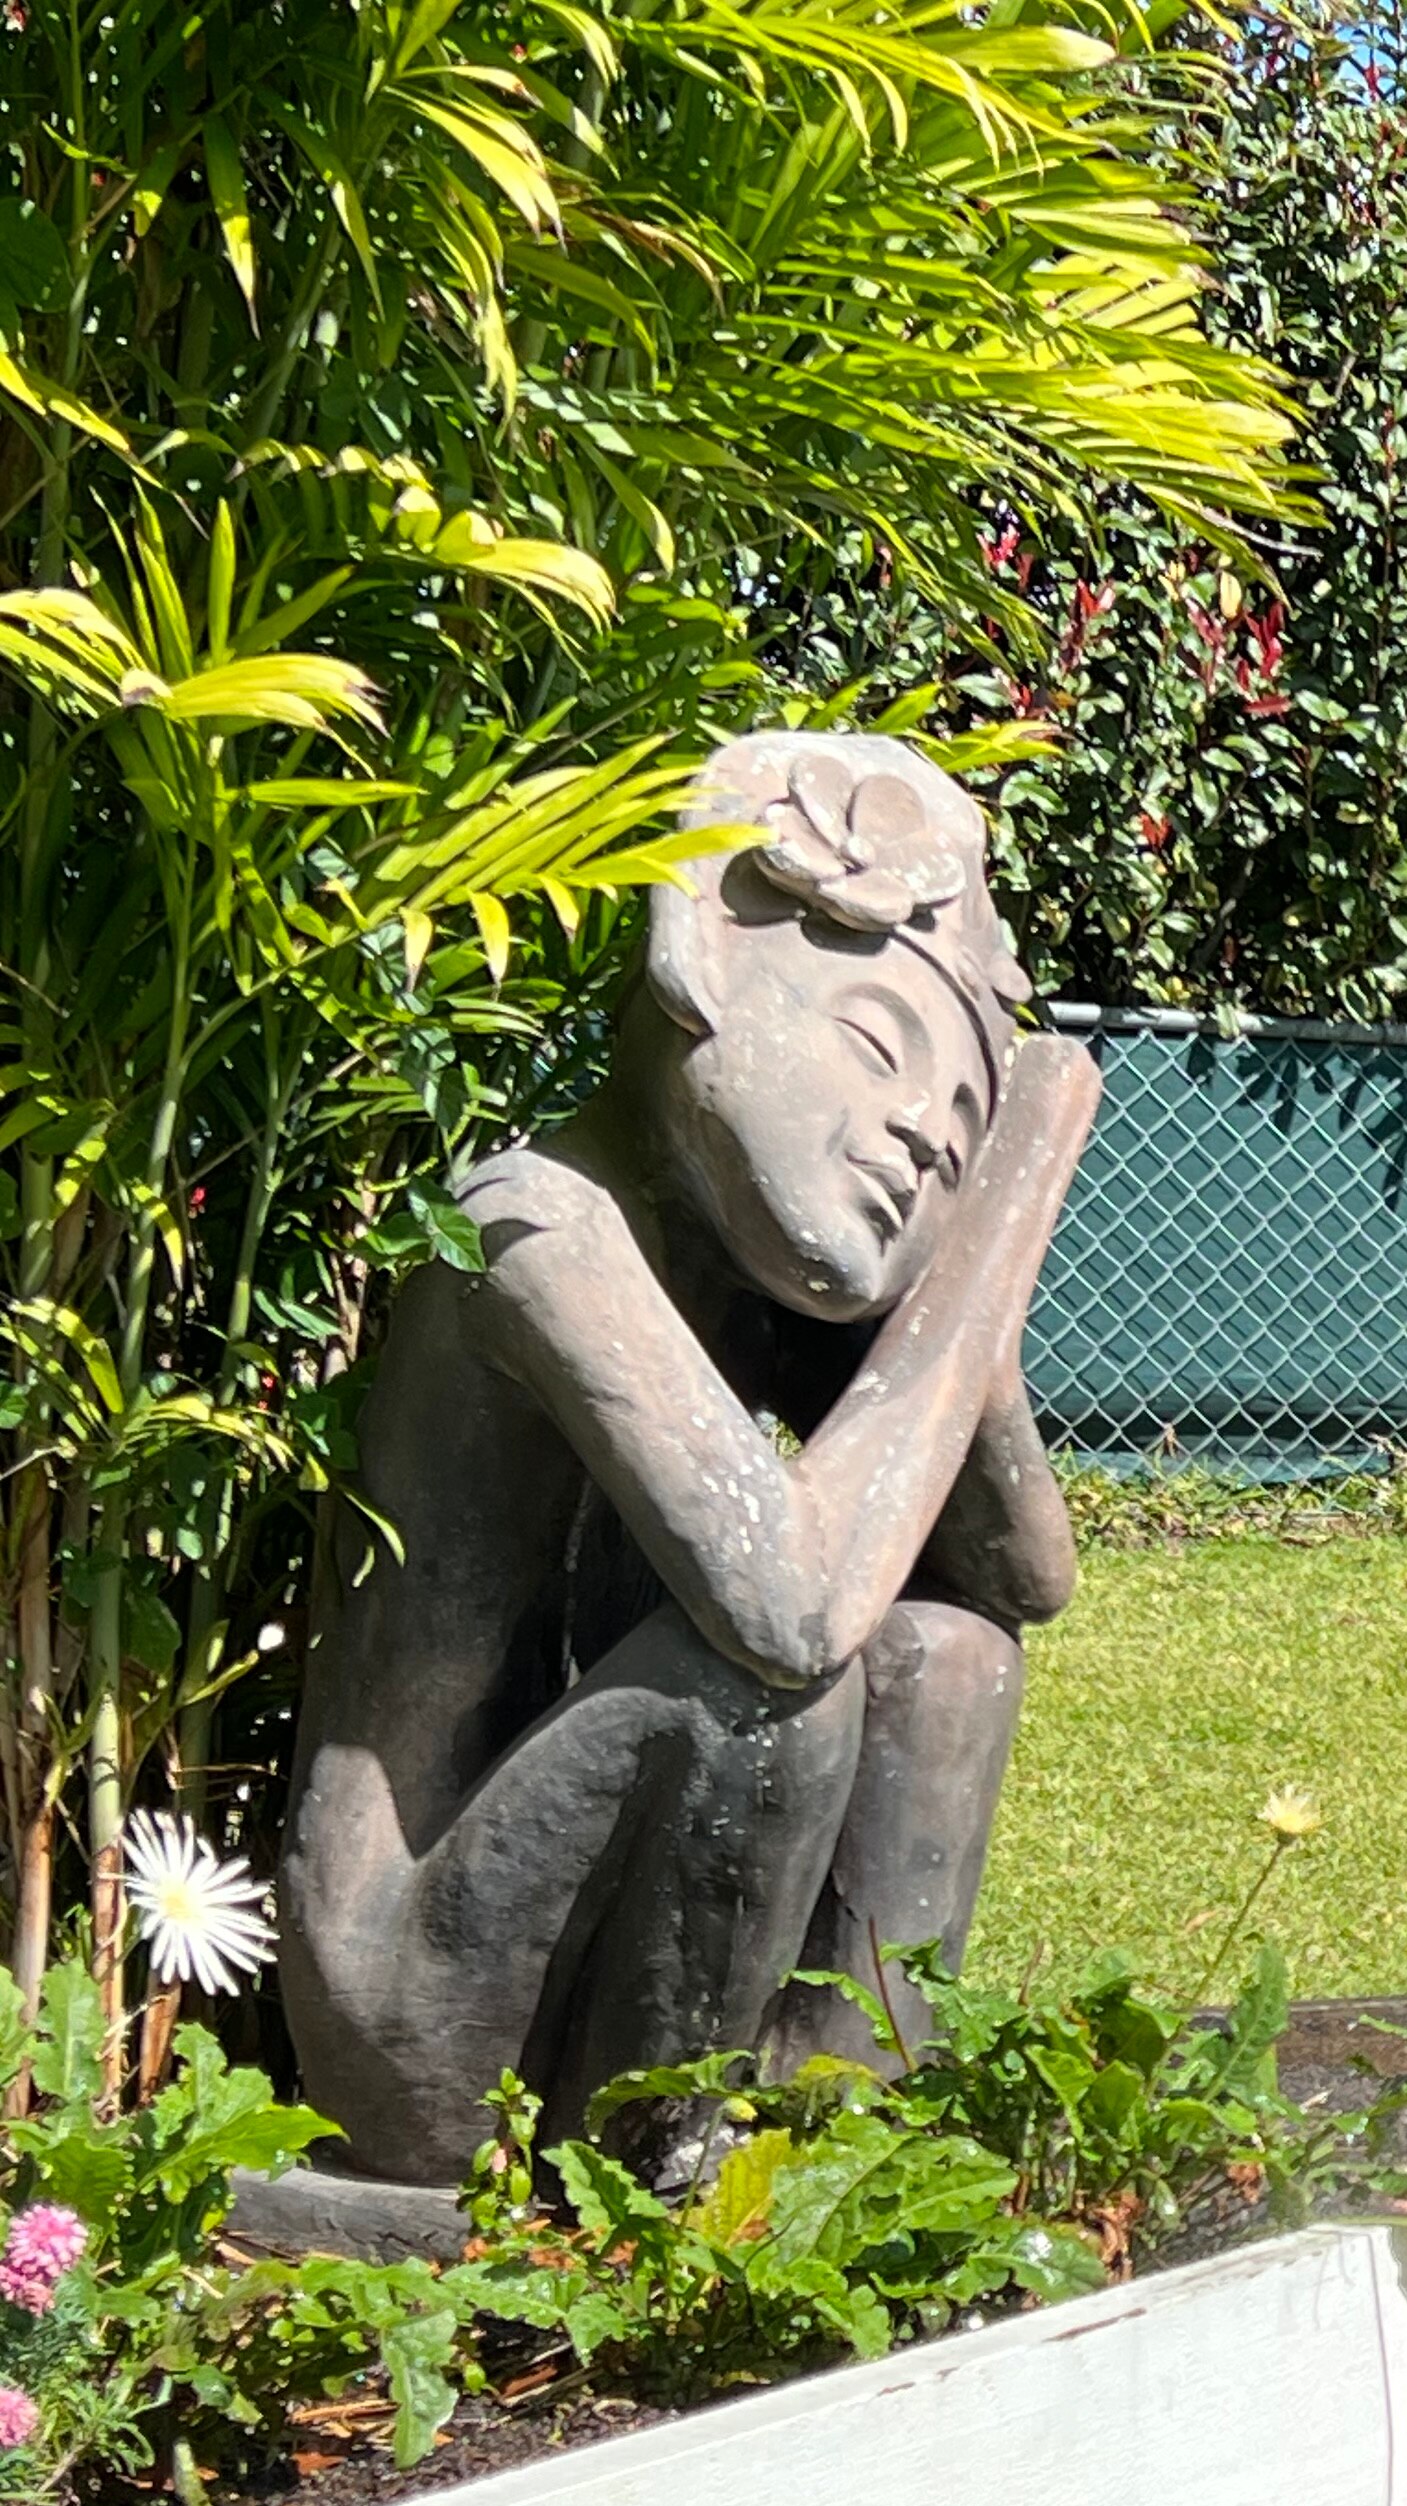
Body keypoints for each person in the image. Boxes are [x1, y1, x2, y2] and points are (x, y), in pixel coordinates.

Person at [279, 735, 1096, 2188]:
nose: (925, 1138)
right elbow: (790, 1612)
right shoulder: (533, 1231)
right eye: (872, 1049)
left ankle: (847, 2150)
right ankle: (654, 2177)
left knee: (947, 1662)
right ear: (700, 959)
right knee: (769, 1693)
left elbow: (1026, 1577)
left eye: (964, 1131)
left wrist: (963, 1280)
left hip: (578, 1942)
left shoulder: (742, 1267)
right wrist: (1008, 1209)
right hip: (416, 1995)